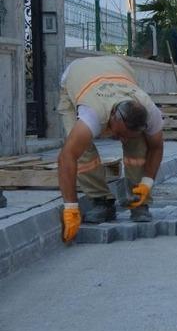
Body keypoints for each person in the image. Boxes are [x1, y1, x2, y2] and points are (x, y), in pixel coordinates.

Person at [57, 56, 165, 243]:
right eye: (120, 133)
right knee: (82, 150)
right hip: (77, 78)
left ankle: (139, 201)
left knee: (139, 145)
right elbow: (67, 157)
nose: (121, 139)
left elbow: (156, 147)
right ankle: (101, 201)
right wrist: (71, 207)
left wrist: (147, 183)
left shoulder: (149, 110)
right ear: (112, 117)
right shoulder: (92, 114)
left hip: (117, 70)